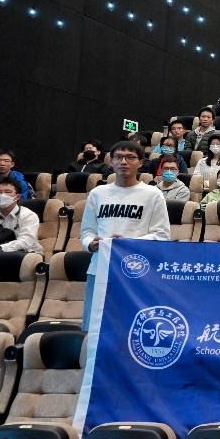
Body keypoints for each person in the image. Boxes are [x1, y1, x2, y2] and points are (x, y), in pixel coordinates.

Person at [78, 140, 171, 330]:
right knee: (94, 329)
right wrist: (91, 243)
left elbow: (162, 235)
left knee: (131, 329)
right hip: (100, 269)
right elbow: (87, 232)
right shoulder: (97, 193)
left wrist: (128, 244)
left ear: (141, 162)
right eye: (118, 157)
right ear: (111, 161)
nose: (123, 162)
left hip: (137, 271)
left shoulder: (152, 194)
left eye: (130, 157)